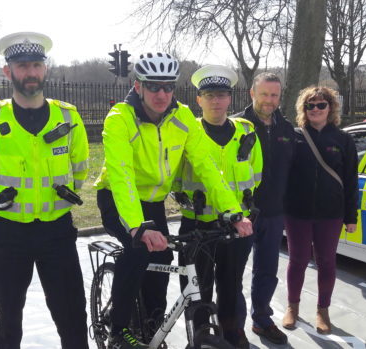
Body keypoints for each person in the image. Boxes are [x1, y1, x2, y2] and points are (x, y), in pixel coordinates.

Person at [94, 53, 253, 349]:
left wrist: (233, 211)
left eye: (168, 87)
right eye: (154, 87)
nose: (162, 94)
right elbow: (121, 174)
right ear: (138, 86)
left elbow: (206, 166)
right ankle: (118, 330)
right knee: (138, 251)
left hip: (153, 202)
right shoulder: (120, 118)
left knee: (164, 257)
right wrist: (136, 226)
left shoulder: (181, 118)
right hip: (118, 198)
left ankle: (151, 327)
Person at [0, 32, 90, 349]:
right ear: (8, 72)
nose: (30, 73)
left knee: (73, 316)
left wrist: (63, 193)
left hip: (57, 231)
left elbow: (81, 168)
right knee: (8, 319)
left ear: (44, 69)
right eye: (22, 66)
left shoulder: (68, 117)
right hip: (10, 233)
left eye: (36, 65)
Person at [173, 65, 261, 348]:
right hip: (198, 226)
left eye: (221, 95)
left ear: (230, 99)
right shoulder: (186, 133)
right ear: (198, 99)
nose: (215, 101)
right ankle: (200, 335)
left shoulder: (246, 130)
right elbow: (173, 176)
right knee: (197, 288)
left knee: (232, 284)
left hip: (237, 225)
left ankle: (231, 332)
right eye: (208, 95)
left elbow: (256, 173)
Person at [282, 86, 358, 334]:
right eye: (310, 105)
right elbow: (281, 175)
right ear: (303, 109)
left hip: (330, 214)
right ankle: (292, 307)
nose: (315, 109)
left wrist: (351, 217)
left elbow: (350, 180)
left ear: (330, 108)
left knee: (327, 262)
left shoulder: (343, 140)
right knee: (298, 261)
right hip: (297, 213)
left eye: (320, 104)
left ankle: (322, 310)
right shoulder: (294, 136)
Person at [231, 72, 295, 345]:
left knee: (267, 271)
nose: (269, 100)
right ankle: (233, 327)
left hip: (273, 212)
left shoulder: (286, 129)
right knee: (232, 274)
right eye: (264, 94)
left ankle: (261, 320)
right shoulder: (235, 126)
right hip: (240, 214)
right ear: (252, 94)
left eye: (274, 95)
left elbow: (293, 170)